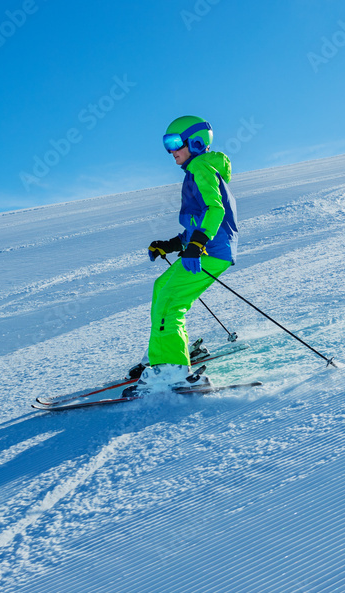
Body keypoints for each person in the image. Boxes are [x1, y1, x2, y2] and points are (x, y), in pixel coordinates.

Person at [125, 115, 239, 396]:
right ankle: (167, 353)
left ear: (197, 142)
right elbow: (197, 222)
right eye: (167, 144)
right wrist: (171, 244)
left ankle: (171, 369)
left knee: (170, 303)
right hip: (205, 248)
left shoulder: (200, 166)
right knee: (162, 288)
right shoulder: (196, 171)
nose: (171, 150)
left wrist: (197, 244)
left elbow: (215, 211)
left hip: (210, 250)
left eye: (176, 142)